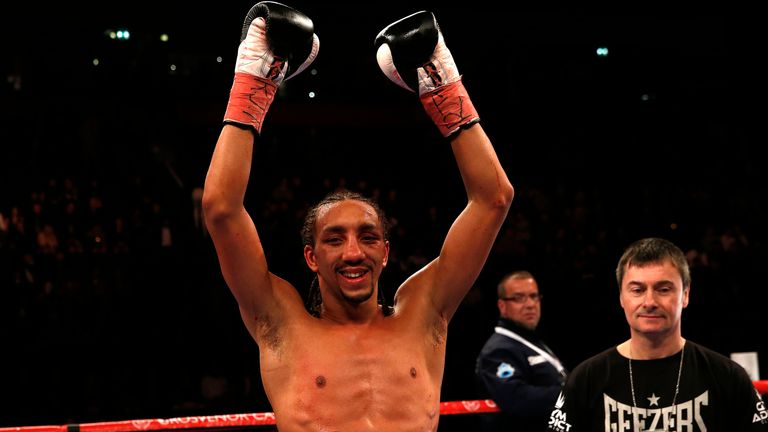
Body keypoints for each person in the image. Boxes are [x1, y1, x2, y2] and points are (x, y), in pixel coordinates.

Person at [202, 2, 514, 431]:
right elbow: (221, 210)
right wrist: (253, 82)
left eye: (368, 237)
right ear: (311, 256)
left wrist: (444, 87)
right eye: (334, 238)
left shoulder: (424, 314)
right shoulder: (280, 322)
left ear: (386, 252)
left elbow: (493, 199)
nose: (353, 251)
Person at [547, 237, 768, 431]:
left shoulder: (727, 376)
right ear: (622, 297)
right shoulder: (587, 378)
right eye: (637, 290)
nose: (650, 302)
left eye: (663, 289)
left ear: (685, 295)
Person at [475, 270, 566, 431]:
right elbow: (516, 397)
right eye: (519, 298)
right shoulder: (498, 349)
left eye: (534, 296)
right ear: (502, 306)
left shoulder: (530, 340)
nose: (530, 304)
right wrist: (571, 394)